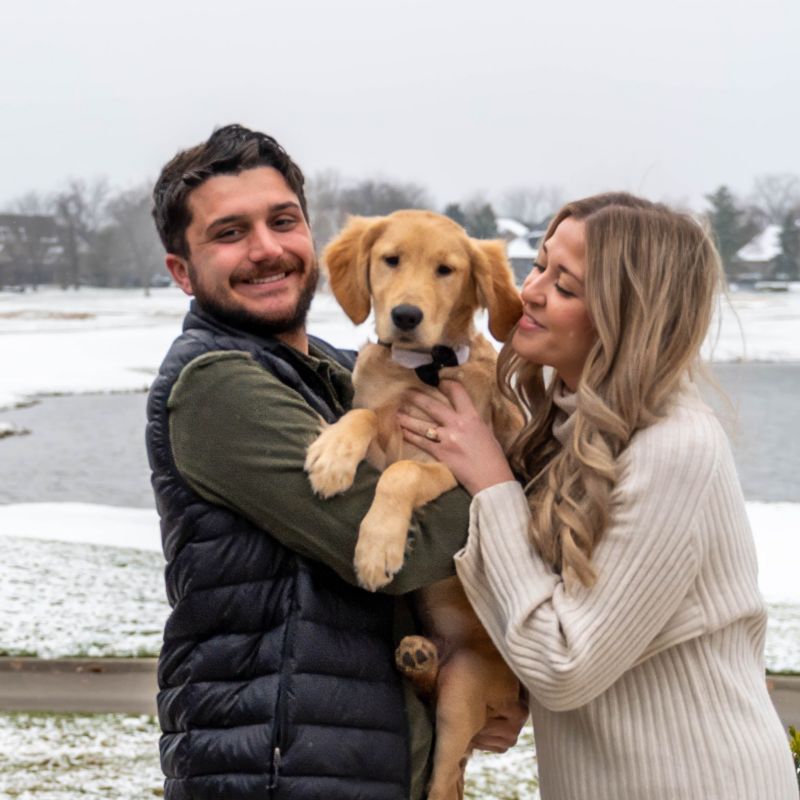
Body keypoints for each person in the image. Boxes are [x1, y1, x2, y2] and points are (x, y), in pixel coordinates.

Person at [146, 124, 525, 800]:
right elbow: (404, 553)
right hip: (276, 768)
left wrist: (485, 686)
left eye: (282, 221)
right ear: (182, 271)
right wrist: (501, 479)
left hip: (361, 755)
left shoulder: (341, 369)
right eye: (230, 233)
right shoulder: (217, 387)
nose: (267, 249)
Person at [398, 192, 799, 799]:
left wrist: (493, 484)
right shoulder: (565, 428)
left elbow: (566, 664)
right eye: (538, 266)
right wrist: (511, 691)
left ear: (626, 316)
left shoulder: (674, 448)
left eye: (565, 286)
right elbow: (584, 630)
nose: (530, 291)